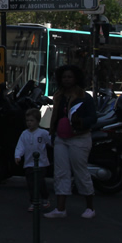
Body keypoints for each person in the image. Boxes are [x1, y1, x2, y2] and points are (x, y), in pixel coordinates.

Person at [45, 64, 96, 219]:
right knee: (60, 173)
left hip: (79, 138)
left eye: (70, 77)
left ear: (76, 79)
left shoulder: (85, 97)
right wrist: (53, 134)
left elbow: (93, 118)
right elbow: (56, 116)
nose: (67, 80)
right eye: (64, 77)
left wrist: (80, 122)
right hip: (61, 138)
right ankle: (60, 209)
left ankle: (90, 208)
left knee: (81, 172)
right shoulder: (58, 95)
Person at [15, 106, 51, 211]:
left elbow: (51, 141)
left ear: (37, 121)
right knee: (31, 183)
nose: (29, 123)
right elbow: (20, 146)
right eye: (27, 121)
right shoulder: (24, 134)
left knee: (39, 182)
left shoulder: (43, 133)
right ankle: (34, 201)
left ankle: (44, 197)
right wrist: (18, 156)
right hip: (29, 163)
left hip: (41, 163)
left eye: (32, 120)